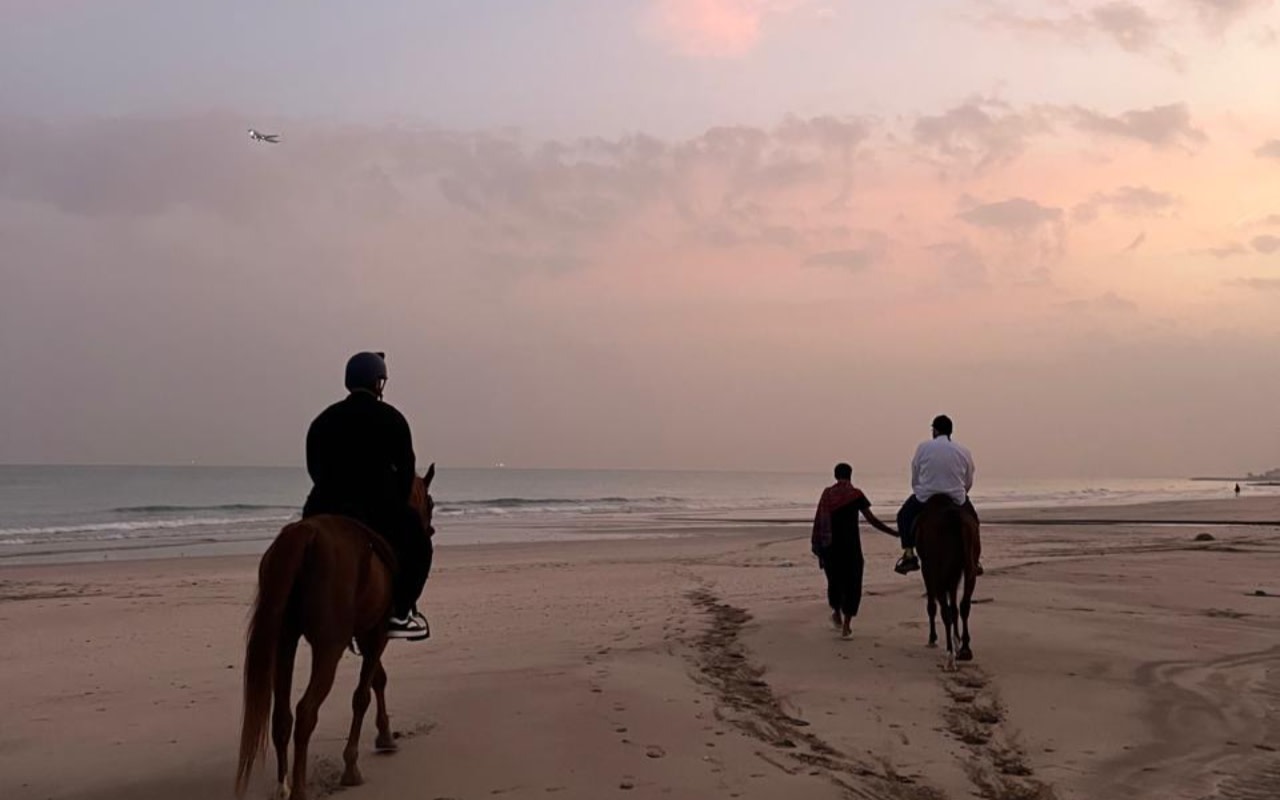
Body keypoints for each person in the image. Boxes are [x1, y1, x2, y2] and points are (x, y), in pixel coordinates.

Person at [302, 351, 433, 640]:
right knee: (420, 547)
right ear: (377, 382)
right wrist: (396, 498)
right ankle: (400, 614)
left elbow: (314, 467)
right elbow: (406, 471)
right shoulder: (392, 419)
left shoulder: (323, 420)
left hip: (322, 506)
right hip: (376, 507)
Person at [811, 462, 900, 638]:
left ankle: (836, 612)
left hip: (830, 547)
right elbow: (871, 519)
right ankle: (846, 625)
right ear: (850, 475)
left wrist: (819, 544)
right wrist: (892, 532)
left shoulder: (827, 494)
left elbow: (819, 519)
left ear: (835, 476)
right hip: (851, 547)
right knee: (853, 584)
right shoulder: (856, 495)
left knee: (834, 582)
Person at [894, 415, 983, 576]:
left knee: (903, 516)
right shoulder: (963, 451)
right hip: (956, 496)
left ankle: (909, 555)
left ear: (934, 430)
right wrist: (961, 493)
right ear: (950, 431)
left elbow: (915, 473)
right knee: (973, 520)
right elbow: (969, 478)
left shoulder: (923, 447)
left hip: (926, 495)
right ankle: (974, 559)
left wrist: (919, 489)